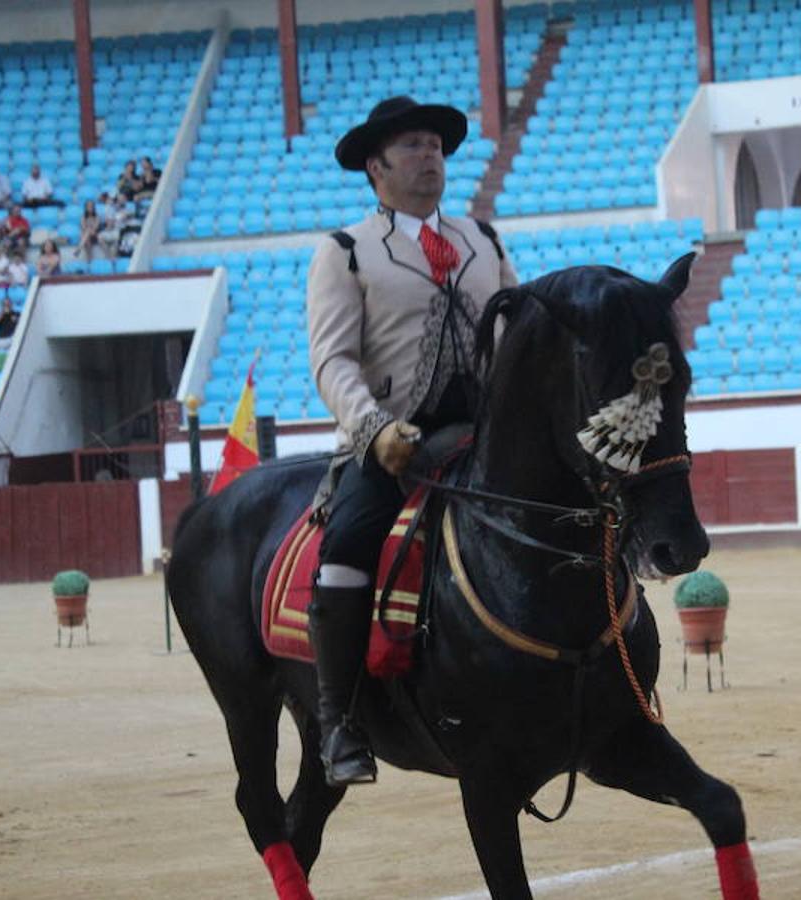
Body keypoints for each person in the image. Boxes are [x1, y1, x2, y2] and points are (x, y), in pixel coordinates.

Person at [304, 96, 518, 786]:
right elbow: (332, 361)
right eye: (413, 146)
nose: (431, 156)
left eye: (436, 145)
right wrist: (373, 430)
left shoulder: (483, 239)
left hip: (485, 435)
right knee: (346, 549)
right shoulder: (345, 252)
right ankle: (338, 721)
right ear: (376, 166)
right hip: (395, 443)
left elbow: (518, 332)